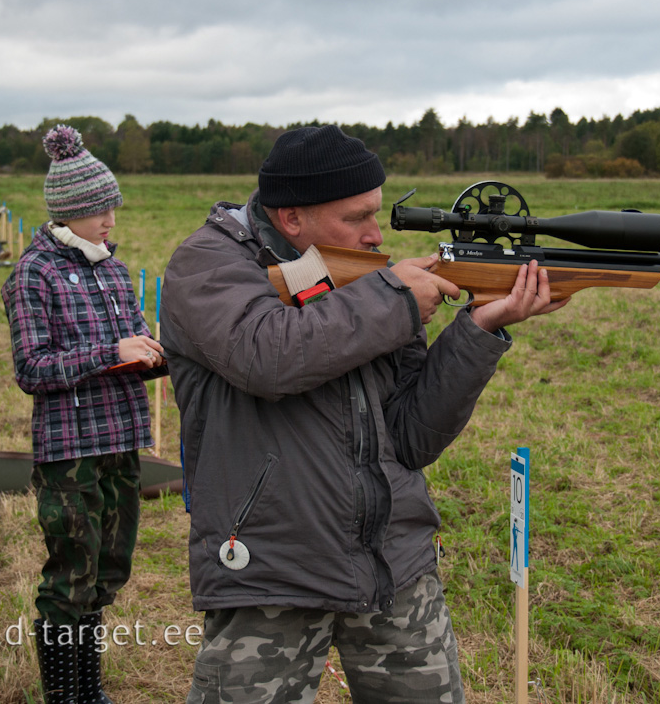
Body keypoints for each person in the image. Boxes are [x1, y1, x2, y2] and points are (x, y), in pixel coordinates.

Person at [159, 124, 569, 703]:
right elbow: (266, 356)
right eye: (356, 217)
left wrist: (480, 329)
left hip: (392, 564)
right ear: (291, 217)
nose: (376, 233)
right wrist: (394, 298)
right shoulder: (207, 264)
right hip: (271, 570)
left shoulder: (363, 275)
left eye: (376, 213)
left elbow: (410, 437)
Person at [2, 124, 167, 704]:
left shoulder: (114, 271)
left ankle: (88, 688)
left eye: (112, 209)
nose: (110, 222)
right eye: (99, 210)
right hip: (70, 448)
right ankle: (65, 695)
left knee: (109, 571)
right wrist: (109, 354)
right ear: (69, 211)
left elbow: (130, 345)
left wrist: (154, 355)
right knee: (71, 575)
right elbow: (32, 368)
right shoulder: (34, 272)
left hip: (122, 438)